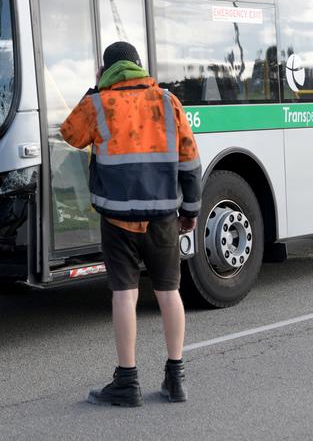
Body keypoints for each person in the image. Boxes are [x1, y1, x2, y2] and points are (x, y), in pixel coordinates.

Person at [60, 41, 202, 407]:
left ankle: (127, 381)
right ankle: (177, 378)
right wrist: (191, 209)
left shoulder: (98, 104)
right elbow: (189, 160)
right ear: (139, 67)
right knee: (169, 292)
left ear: (106, 71)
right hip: (163, 217)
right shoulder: (168, 102)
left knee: (125, 294)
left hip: (117, 217)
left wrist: (95, 88)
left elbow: (69, 134)